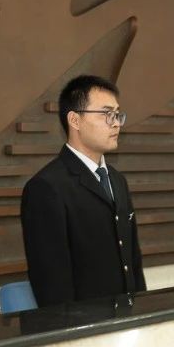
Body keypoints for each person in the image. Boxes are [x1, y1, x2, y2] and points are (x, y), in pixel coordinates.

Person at [19, 74, 145, 306]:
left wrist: (142, 313)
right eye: (106, 114)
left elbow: (133, 261)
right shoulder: (46, 188)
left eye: (117, 114)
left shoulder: (117, 180)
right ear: (75, 120)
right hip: (85, 322)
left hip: (127, 319)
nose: (116, 123)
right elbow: (52, 284)